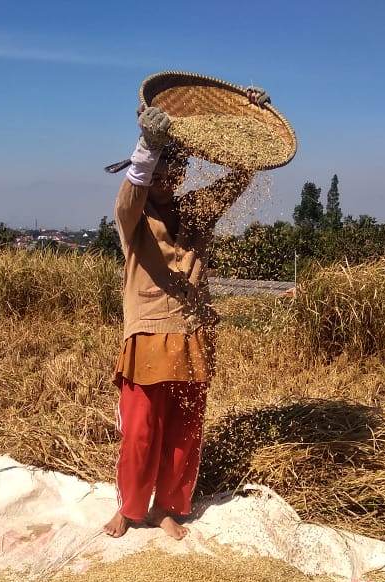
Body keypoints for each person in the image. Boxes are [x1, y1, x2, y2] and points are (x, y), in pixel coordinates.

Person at [103, 87, 270, 540]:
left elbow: (240, 177)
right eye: (158, 169)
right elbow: (129, 194)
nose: (165, 177)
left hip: (194, 335)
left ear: (180, 174)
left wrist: (251, 120)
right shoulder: (134, 219)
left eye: (173, 169)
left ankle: (168, 507)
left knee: (184, 430)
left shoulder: (197, 211)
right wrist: (148, 145)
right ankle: (130, 507)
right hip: (147, 337)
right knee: (139, 432)